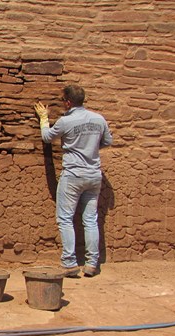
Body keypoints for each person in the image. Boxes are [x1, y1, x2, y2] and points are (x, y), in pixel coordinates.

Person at [34, 85, 112, 277]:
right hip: (94, 175)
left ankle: (69, 262)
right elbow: (107, 141)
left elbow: (47, 138)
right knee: (91, 220)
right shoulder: (98, 119)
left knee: (65, 218)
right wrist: (90, 147)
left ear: (68, 102)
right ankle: (92, 264)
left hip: (73, 175)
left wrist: (44, 119)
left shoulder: (65, 121)